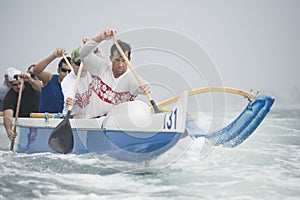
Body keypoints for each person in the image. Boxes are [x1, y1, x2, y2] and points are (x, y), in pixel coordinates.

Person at [63, 29, 150, 118]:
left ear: (129, 59)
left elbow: (143, 85)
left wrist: (145, 87)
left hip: (117, 125)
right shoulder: (100, 68)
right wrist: (100, 38)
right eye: (117, 60)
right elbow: (83, 54)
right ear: (110, 58)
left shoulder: (132, 78)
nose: (120, 64)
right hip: (93, 124)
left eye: (124, 61)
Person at [3, 67, 40, 141]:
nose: (19, 87)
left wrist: (30, 80)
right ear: (10, 84)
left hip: (39, 118)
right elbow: (8, 115)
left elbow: (41, 88)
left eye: (20, 83)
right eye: (15, 85)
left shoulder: (31, 85)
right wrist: (9, 130)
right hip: (26, 123)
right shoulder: (9, 97)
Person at [32, 48, 72, 113]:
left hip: (62, 120)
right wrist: (53, 56)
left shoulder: (74, 86)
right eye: (64, 70)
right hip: (45, 120)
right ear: (58, 70)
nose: (67, 74)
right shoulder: (50, 78)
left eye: (70, 71)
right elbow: (36, 71)